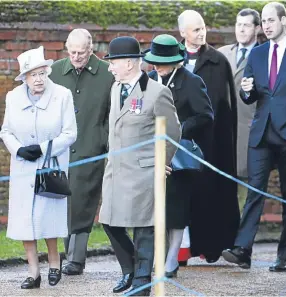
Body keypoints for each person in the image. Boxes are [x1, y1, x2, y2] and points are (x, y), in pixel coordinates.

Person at [222, 2, 286, 272]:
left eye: (270, 20)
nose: (266, 25)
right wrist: (246, 90)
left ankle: (285, 255)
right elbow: (249, 95)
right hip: (261, 131)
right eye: (263, 21)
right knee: (254, 191)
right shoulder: (258, 53)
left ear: (283, 21)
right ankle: (243, 249)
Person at [98, 36, 181, 296]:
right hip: (116, 170)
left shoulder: (157, 92)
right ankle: (130, 270)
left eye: (114, 62)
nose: (110, 67)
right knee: (108, 222)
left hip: (144, 171)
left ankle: (143, 281)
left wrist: (161, 162)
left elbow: (173, 132)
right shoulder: (115, 88)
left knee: (145, 228)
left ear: (130, 63)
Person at [0, 46, 77, 288]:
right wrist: (18, 149)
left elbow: (70, 133)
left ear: (48, 72)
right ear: (25, 78)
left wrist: (43, 148)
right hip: (23, 167)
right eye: (33, 75)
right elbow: (6, 131)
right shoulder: (13, 97)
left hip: (49, 165)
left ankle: (55, 263)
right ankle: (33, 272)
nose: (39, 79)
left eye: (42, 73)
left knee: (48, 218)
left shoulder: (62, 95)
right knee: (26, 222)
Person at [144, 34, 214, 278]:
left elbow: (206, 115)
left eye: (162, 61)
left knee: (175, 207)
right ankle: (156, 254)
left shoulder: (192, 81)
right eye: (154, 61)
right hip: (150, 151)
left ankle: (173, 256)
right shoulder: (149, 79)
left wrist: (178, 128)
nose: (157, 66)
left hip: (178, 154)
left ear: (175, 61)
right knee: (153, 206)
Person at [177, 9, 240, 263]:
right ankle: (179, 250)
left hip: (212, 141)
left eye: (203, 28)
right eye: (195, 29)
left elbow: (227, 107)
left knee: (211, 193)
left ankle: (209, 246)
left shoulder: (218, 60)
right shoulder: (172, 58)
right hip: (180, 139)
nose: (201, 33)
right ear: (182, 33)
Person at [49, 28, 113, 275]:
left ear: (91, 50)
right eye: (72, 52)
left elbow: (112, 111)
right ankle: (69, 257)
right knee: (63, 201)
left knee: (84, 201)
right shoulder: (54, 71)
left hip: (91, 147)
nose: (76, 57)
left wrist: (102, 139)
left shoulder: (107, 74)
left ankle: (76, 258)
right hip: (61, 148)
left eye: (81, 53)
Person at [218, 8, 260, 181]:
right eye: (238, 25)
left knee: (245, 186)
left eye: (247, 25)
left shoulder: (264, 56)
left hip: (249, 130)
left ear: (257, 29)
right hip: (222, 130)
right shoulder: (221, 54)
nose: (241, 30)